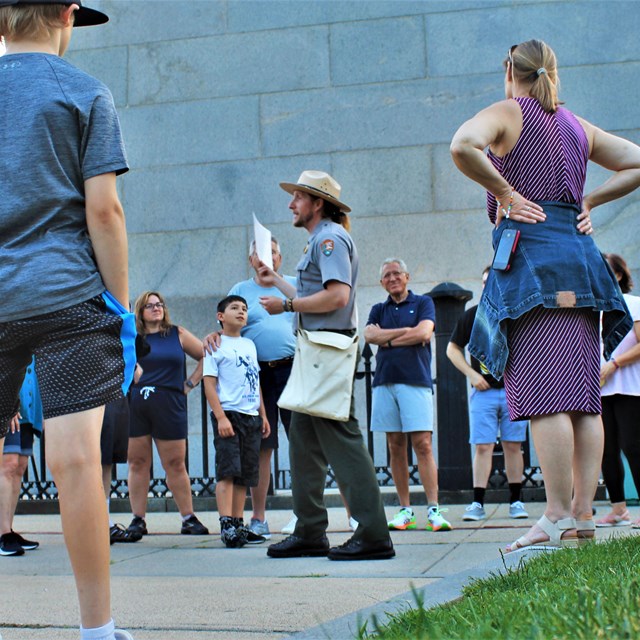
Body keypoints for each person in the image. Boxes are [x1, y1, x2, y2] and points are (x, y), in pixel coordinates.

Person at [450, 39, 640, 552]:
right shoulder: (577, 126)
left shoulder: (510, 111)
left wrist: (508, 194)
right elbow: (638, 161)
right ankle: (581, 515)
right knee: (583, 399)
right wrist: (588, 198)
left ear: (510, 69)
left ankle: (555, 516)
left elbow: (461, 145)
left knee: (545, 395)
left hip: (532, 264)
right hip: (581, 263)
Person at [0, 1, 137, 637]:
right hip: (68, 297)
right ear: (67, 15)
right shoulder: (85, 93)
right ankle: (97, 631)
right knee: (77, 461)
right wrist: (119, 306)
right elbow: (104, 213)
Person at [259, 170, 394, 561]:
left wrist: (286, 305)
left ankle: (372, 533)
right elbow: (313, 293)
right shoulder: (319, 240)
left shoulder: (330, 239)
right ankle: (309, 531)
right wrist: (278, 284)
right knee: (302, 441)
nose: (291, 204)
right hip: (314, 352)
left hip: (325, 352)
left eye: (298, 197)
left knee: (342, 439)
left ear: (317, 203)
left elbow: (336, 298)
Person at [364, 258, 451, 533]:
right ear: (381, 282)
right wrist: (406, 333)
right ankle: (405, 511)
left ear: (407, 276)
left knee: (423, 444)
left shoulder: (424, 303)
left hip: (415, 380)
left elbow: (425, 331)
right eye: (386, 275)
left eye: (396, 273)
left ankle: (434, 510)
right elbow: (369, 336)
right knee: (395, 445)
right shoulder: (378, 309)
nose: (392, 278)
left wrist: (387, 339)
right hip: (385, 382)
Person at [447, 267, 529, 522]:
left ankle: (516, 501)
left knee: (513, 446)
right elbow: (452, 349)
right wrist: (472, 375)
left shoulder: (515, 313)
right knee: (482, 446)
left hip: (512, 391)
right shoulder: (473, 315)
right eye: (485, 281)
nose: (490, 285)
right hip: (484, 393)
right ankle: (477, 502)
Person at [226, 238, 296, 539]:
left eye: (273, 252)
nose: (267, 258)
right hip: (257, 375)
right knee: (261, 445)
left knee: (302, 443)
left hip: (293, 369)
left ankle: (303, 513)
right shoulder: (240, 290)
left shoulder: (293, 285)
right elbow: (228, 326)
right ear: (250, 258)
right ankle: (258, 518)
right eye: (260, 252)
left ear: (280, 258)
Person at [126, 291, 207, 538]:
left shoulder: (176, 333)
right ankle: (138, 519)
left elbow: (207, 355)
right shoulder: (132, 338)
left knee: (175, 463)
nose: (156, 308)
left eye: (159, 304)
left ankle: (188, 517)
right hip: (136, 405)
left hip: (170, 404)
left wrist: (190, 383)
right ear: (140, 311)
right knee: (138, 463)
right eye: (150, 305)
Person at [203, 295, 270, 547]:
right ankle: (226, 524)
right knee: (228, 472)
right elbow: (209, 384)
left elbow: (256, 381)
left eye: (244, 308)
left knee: (245, 475)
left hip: (251, 415)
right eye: (234, 308)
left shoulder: (249, 345)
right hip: (229, 414)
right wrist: (220, 417)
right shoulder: (214, 345)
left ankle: (239, 524)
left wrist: (262, 414)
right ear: (220, 316)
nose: (241, 312)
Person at [596, 253, 640, 528]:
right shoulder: (594, 309)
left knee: (634, 447)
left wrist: (613, 365)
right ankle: (618, 509)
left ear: (620, 275)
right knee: (605, 449)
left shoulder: (634, 304)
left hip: (630, 388)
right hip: (600, 391)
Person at [0, 359, 42, 556]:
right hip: (8, 403)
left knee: (19, 466)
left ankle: (8, 529)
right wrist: (6, 403)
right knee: (8, 465)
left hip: (27, 407)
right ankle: (3, 533)